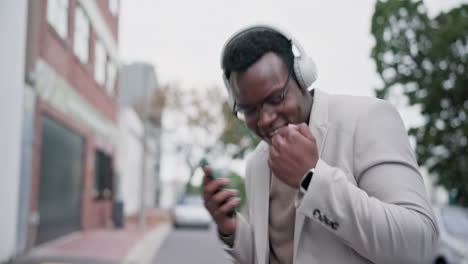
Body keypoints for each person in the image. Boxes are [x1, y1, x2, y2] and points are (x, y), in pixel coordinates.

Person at [202, 24, 438, 264]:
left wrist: (311, 178)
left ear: (303, 75)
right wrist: (231, 229)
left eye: (275, 98)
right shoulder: (257, 163)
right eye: (249, 110)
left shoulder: (367, 120)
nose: (264, 119)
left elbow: (418, 246)